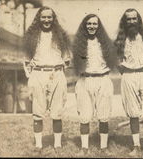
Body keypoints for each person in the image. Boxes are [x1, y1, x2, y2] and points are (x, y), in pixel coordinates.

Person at [114, 8, 143, 157]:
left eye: (134, 18)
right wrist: (128, 73)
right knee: (133, 113)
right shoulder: (120, 40)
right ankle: (136, 147)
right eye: (128, 19)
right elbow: (117, 61)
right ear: (125, 21)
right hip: (129, 76)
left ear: (138, 20)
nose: (132, 21)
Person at [24, 6, 71, 150]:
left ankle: (57, 144)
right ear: (39, 18)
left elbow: (67, 59)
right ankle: (38, 145)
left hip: (56, 74)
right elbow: (26, 60)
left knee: (57, 111)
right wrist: (31, 76)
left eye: (49, 17)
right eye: (43, 17)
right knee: (37, 111)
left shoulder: (60, 36)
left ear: (53, 19)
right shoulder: (31, 36)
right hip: (38, 74)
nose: (46, 20)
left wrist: (58, 71)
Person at [72, 14, 114, 156]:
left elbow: (113, 60)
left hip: (103, 79)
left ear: (98, 25)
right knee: (84, 115)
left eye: (94, 24)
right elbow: (75, 64)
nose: (91, 26)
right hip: (85, 80)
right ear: (85, 25)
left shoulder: (105, 42)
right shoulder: (79, 43)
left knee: (103, 115)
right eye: (89, 24)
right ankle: (84, 148)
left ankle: (103, 147)